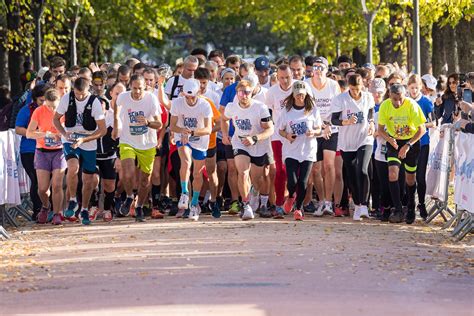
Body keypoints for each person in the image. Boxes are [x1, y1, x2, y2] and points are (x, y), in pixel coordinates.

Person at [53, 77, 107, 225]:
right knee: (73, 167)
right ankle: (72, 200)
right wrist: (64, 134)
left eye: (82, 94)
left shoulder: (94, 102)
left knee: (88, 181)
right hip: (70, 138)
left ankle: (84, 208)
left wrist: (84, 139)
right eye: (77, 93)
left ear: (88, 90)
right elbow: (56, 119)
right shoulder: (66, 98)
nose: (80, 97)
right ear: (73, 90)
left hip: (88, 141)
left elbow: (102, 130)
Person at [221, 80, 274, 220]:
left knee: (257, 178)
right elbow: (224, 119)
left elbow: (270, 128)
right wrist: (225, 134)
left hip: (258, 145)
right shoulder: (231, 107)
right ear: (237, 93)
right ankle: (246, 205)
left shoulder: (260, 108)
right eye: (241, 92)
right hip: (240, 143)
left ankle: (254, 193)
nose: (244, 95)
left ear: (252, 93)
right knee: (243, 173)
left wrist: (255, 138)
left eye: (247, 92)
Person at [114, 74, 162, 222]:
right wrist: (116, 126)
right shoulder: (123, 97)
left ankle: (140, 206)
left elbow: (159, 124)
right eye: (134, 88)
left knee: (145, 180)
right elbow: (116, 110)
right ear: (130, 86)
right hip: (127, 141)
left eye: (140, 89)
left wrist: (147, 122)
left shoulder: (151, 99)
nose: (137, 92)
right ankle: (129, 197)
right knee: (127, 174)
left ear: (145, 87)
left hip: (147, 143)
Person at [377, 84, 426, 224]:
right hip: (394, 142)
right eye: (394, 99)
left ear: (405, 96)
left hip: (411, 141)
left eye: (400, 99)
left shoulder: (412, 105)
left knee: (410, 179)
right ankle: (397, 209)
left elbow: (422, 130)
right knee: (392, 173)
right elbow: (380, 129)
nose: (398, 102)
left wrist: (408, 145)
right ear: (390, 96)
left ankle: (410, 206)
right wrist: (389, 139)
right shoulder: (385, 106)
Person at [330, 74, 375, 220]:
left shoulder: (368, 97)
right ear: (349, 87)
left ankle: (364, 205)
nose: (355, 92)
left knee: (362, 169)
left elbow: (370, 112)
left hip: (364, 138)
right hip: (347, 141)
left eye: (358, 89)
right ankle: (356, 204)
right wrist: (346, 122)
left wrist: (372, 123)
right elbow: (333, 120)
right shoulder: (340, 99)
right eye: (353, 89)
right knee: (351, 174)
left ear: (362, 86)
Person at [169, 79, 212, 221]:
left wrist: (193, 133)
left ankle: (194, 204)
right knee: (186, 161)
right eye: (187, 97)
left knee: (197, 174)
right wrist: (183, 131)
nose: (190, 99)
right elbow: (172, 125)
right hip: (183, 137)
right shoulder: (177, 103)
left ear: (199, 92)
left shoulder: (205, 105)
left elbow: (208, 129)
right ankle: (184, 193)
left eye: (192, 96)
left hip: (200, 140)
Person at [305, 56, 342, 217]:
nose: (318, 70)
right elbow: (305, 108)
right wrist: (319, 126)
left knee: (328, 165)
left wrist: (327, 125)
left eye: (321, 67)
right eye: (315, 67)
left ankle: (329, 202)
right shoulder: (306, 84)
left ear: (327, 70)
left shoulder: (333, 86)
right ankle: (321, 201)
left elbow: (338, 108)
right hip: (314, 130)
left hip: (331, 129)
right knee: (315, 169)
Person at [279, 81, 322, 220]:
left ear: (306, 94)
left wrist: (313, 132)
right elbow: (280, 130)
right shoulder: (287, 110)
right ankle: (291, 196)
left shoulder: (313, 109)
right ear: (293, 94)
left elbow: (319, 128)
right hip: (291, 149)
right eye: (297, 95)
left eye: (302, 95)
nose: (300, 97)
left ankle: (298, 208)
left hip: (308, 150)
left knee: (303, 182)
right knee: (292, 181)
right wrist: (287, 135)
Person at [26, 88, 66, 225]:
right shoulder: (39, 111)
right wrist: (45, 134)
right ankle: (45, 206)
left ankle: (57, 213)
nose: (51, 109)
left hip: (59, 152)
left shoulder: (64, 111)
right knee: (42, 189)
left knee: (57, 184)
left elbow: (71, 130)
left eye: (54, 107)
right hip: (42, 151)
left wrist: (63, 134)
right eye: (48, 106)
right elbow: (29, 133)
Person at [15, 84, 48, 221]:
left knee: (47, 182)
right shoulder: (27, 110)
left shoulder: (53, 109)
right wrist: (35, 134)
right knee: (36, 180)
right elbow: (18, 129)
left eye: (46, 99)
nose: (44, 103)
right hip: (29, 151)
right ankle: (37, 210)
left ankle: (49, 209)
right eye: (41, 100)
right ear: (34, 99)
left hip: (49, 150)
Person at [265, 64, 295, 217]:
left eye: (287, 77)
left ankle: (293, 199)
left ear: (293, 75)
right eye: (281, 78)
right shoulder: (272, 92)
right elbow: (267, 112)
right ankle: (278, 204)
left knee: (294, 170)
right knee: (280, 170)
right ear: (277, 77)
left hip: (297, 135)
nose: (284, 81)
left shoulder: (300, 87)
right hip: (278, 134)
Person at [194, 68, 222, 218]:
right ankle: (195, 203)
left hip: (209, 141)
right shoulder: (187, 96)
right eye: (199, 83)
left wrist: (208, 130)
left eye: (204, 83)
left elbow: (220, 121)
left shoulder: (212, 97)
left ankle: (214, 201)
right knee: (194, 172)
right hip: (192, 141)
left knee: (211, 172)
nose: (202, 86)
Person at [407, 74, 435, 220]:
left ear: (421, 88)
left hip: (423, 142)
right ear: (408, 88)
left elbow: (433, 122)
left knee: (420, 177)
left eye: (416, 88)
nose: (414, 91)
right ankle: (410, 204)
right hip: (407, 142)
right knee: (409, 176)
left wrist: (420, 125)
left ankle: (422, 203)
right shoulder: (404, 101)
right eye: (411, 88)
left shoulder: (426, 102)